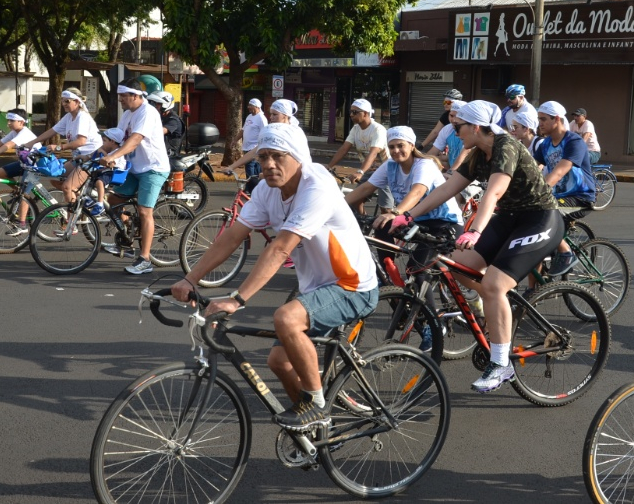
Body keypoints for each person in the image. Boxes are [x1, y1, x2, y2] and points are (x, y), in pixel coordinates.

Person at [171, 123, 379, 431]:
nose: (268, 164)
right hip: (316, 285)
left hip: (352, 284)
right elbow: (231, 238)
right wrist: (190, 279)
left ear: (297, 156)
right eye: (263, 156)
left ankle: (318, 407)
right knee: (279, 362)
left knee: (287, 319)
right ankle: (312, 432)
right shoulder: (268, 190)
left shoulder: (316, 185)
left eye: (277, 156)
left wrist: (237, 299)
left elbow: (281, 248)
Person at [389, 101, 562, 393]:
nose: (454, 133)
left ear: (476, 127)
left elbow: (494, 192)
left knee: (494, 284)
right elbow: (446, 189)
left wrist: (476, 231)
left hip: (540, 219)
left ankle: (501, 363)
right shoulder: (478, 154)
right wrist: (407, 215)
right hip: (510, 218)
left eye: (458, 127)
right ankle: (497, 309)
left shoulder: (505, 145)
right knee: (456, 262)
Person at [345, 126, 465, 349]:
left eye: (401, 145)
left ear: (412, 145)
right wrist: (334, 210)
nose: (396, 150)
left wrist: (396, 212)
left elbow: (417, 192)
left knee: (417, 269)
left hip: (444, 223)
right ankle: (393, 285)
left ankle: (434, 325)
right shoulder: (390, 166)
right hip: (415, 220)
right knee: (380, 229)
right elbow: (365, 189)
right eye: (391, 147)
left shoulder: (424, 165)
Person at [100, 80, 172, 275]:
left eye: (123, 96)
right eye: (120, 96)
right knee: (112, 202)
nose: (120, 99)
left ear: (135, 95)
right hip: (135, 168)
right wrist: (94, 154)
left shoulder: (148, 113)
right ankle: (128, 235)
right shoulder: (127, 114)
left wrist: (113, 156)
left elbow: (134, 140)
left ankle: (145, 259)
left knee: (144, 211)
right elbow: (117, 138)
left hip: (153, 168)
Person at [534, 100, 597, 275]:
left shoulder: (574, 141)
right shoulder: (545, 144)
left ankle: (566, 252)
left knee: (543, 212)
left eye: (543, 119)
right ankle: (537, 288)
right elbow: (532, 167)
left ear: (556, 119)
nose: (540, 123)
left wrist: (539, 190)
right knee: (533, 233)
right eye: (539, 119)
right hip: (558, 195)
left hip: (580, 196)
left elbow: (561, 170)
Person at [23, 88, 102, 204]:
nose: (63, 104)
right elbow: (52, 131)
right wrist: (31, 143)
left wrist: (59, 147)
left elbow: (81, 142)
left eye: (67, 101)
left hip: (92, 157)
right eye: (62, 101)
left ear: (77, 101)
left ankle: (74, 217)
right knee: (58, 176)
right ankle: (78, 209)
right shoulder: (69, 117)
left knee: (66, 187)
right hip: (79, 157)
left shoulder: (82, 117)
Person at [325, 98, 393, 212]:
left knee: (385, 208)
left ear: (365, 113)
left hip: (386, 172)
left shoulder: (378, 129)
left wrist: (360, 172)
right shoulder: (356, 129)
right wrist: (329, 166)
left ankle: (386, 227)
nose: (351, 115)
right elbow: (344, 149)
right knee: (356, 201)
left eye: (355, 112)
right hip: (369, 171)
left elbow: (373, 153)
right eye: (350, 112)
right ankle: (363, 226)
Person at [222, 99, 301, 175]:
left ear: (285, 116)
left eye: (275, 114)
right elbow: (254, 151)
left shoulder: (294, 133)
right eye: (271, 114)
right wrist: (232, 167)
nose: (271, 117)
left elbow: (295, 161)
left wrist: (268, 175)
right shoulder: (272, 131)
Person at [0, 108, 40, 179]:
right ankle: (16, 190)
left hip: (34, 164)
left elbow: (9, 144)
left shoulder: (25, 132)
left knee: (24, 189)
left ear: (21, 122)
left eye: (12, 120)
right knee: (2, 172)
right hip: (25, 163)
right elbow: (1, 142)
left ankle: (22, 190)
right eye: (8, 120)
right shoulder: (14, 132)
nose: (9, 123)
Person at [86, 128, 127, 214]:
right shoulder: (111, 152)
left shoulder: (117, 153)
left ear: (112, 141)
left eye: (104, 140)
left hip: (116, 173)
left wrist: (103, 153)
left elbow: (111, 163)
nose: (102, 143)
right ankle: (90, 198)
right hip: (108, 171)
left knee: (99, 182)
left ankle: (100, 204)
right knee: (92, 176)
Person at [429, 99, 470, 173]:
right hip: (452, 170)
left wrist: (451, 173)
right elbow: (433, 152)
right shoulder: (447, 129)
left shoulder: (469, 131)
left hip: (468, 174)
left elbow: (463, 155)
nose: (453, 120)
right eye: (451, 115)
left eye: (457, 116)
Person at [146, 91, 185, 157]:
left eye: (157, 104)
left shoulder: (173, 120)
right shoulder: (159, 116)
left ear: (165, 105)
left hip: (170, 155)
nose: (155, 106)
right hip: (157, 151)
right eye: (153, 103)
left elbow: (158, 132)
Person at [240, 98, 268, 177]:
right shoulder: (249, 116)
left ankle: (250, 186)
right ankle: (255, 186)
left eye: (250, 105)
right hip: (246, 147)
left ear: (257, 107)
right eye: (248, 105)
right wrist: (235, 140)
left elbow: (265, 133)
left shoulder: (261, 118)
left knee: (250, 168)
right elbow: (243, 129)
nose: (248, 107)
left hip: (254, 148)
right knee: (255, 170)